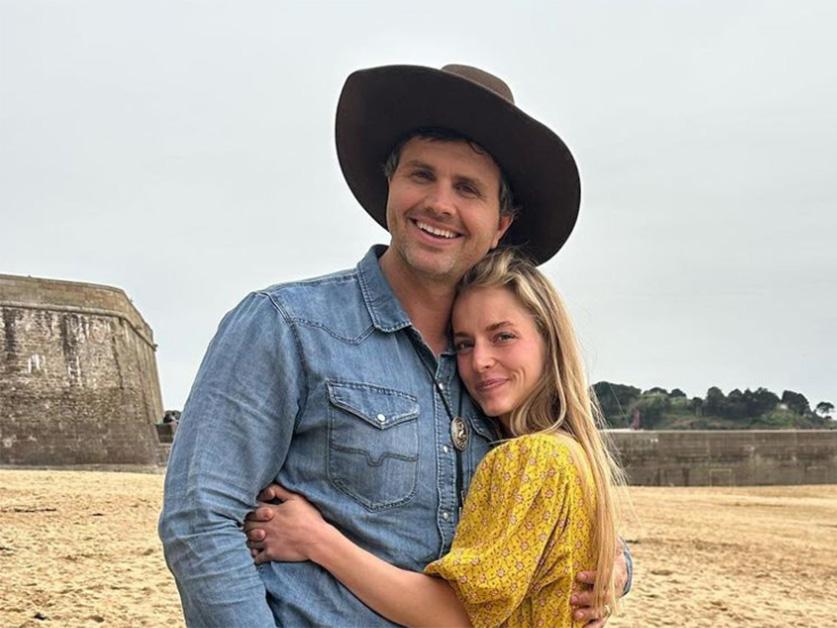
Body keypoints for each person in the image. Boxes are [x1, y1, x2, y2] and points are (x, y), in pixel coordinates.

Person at [158, 64, 631, 626]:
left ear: (500, 223)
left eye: (468, 188)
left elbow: (548, 510)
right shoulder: (286, 324)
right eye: (421, 175)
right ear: (390, 185)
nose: (439, 203)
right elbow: (201, 518)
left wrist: (616, 569)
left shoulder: (494, 374)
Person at [243, 248, 626, 626]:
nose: (480, 361)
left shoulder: (529, 458)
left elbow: (455, 615)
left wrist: (317, 540)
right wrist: (619, 569)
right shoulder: (575, 455)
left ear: (549, 341)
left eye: (504, 336)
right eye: (464, 344)